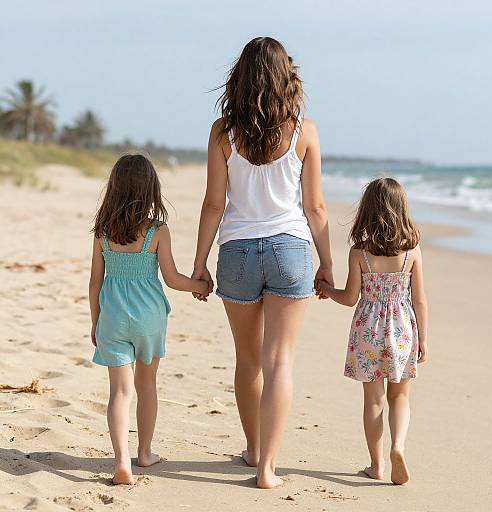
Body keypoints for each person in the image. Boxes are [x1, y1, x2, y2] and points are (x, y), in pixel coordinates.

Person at [192, 37, 333, 489]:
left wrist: (199, 265)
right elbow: (316, 209)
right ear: (286, 78)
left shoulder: (222, 132)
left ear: (241, 78)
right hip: (289, 248)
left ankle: (252, 449)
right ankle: (268, 469)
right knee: (280, 362)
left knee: (248, 359)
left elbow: (214, 204)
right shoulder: (304, 131)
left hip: (236, 251)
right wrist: (326, 264)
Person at [89, 153, 208, 485]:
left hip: (111, 316)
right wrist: (200, 285)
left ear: (113, 189)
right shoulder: (157, 231)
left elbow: (95, 282)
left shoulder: (102, 232)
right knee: (147, 385)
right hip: (149, 318)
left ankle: (121, 463)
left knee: (119, 392)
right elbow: (172, 279)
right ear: (150, 189)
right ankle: (144, 453)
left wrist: (94, 321)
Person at [318, 177, 428, 485]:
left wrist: (328, 290)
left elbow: (350, 298)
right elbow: (419, 299)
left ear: (368, 210)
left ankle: (377, 465)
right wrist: (424, 340)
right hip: (403, 328)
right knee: (401, 396)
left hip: (367, 330)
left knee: (374, 399)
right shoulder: (412, 251)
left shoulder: (360, 253)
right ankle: (398, 446)